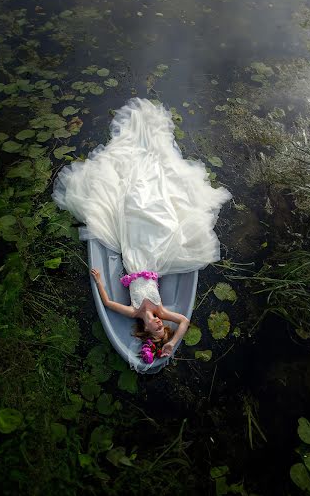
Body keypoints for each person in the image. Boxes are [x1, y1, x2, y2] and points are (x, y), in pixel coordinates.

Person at [52, 97, 232, 368]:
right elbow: (183, 321)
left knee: (131, 210)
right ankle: (154, 192)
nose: (160, 322)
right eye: (162, 325)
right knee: (163, 221)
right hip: (155, 259)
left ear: (146, 330)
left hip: (134, 257)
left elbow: (110, 303)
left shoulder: (135, 310)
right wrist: (170, 342)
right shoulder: (160, 310)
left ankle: (136, 194)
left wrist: (100, 281)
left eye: (156, 328)